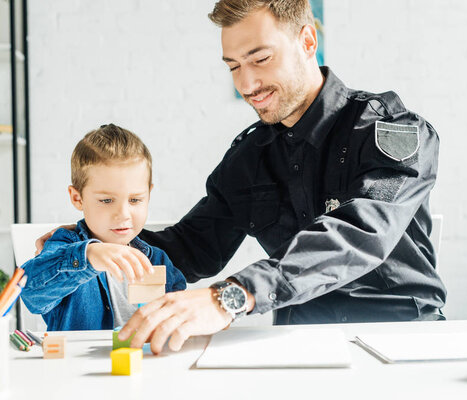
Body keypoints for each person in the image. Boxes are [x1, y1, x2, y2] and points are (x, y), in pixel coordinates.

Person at [37, 0, 446, 353]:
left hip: (400, 340)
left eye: (260, 59)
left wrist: (230, 297)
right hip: (298, 349)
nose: (246, 83)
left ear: (307, 41)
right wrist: (87, 242)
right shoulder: (250, 159)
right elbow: (190, 248)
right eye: (233, 65)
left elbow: (359, 233)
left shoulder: (389, 132)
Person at [21, 124, 186, 331]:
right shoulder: (64, 244)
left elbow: (178, 319)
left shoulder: (158, 259)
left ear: (149, 195)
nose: (123, 214)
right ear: (77, 198)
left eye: (135, 200)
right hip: (80, 363)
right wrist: (88, 256)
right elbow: (30, 293)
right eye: (107, 200)